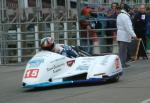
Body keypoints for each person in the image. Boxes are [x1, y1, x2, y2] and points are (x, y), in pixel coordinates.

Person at [117, 4, 137, 68]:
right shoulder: (125, 16)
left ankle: (122, 63)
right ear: (127, 9)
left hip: (120, 35)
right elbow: (128, 27)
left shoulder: (120, 15)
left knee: (121, 50)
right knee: (123, 51)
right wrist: (134, 35)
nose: (130, 10)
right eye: (129, 9)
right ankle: (122, 64)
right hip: (124, 35)